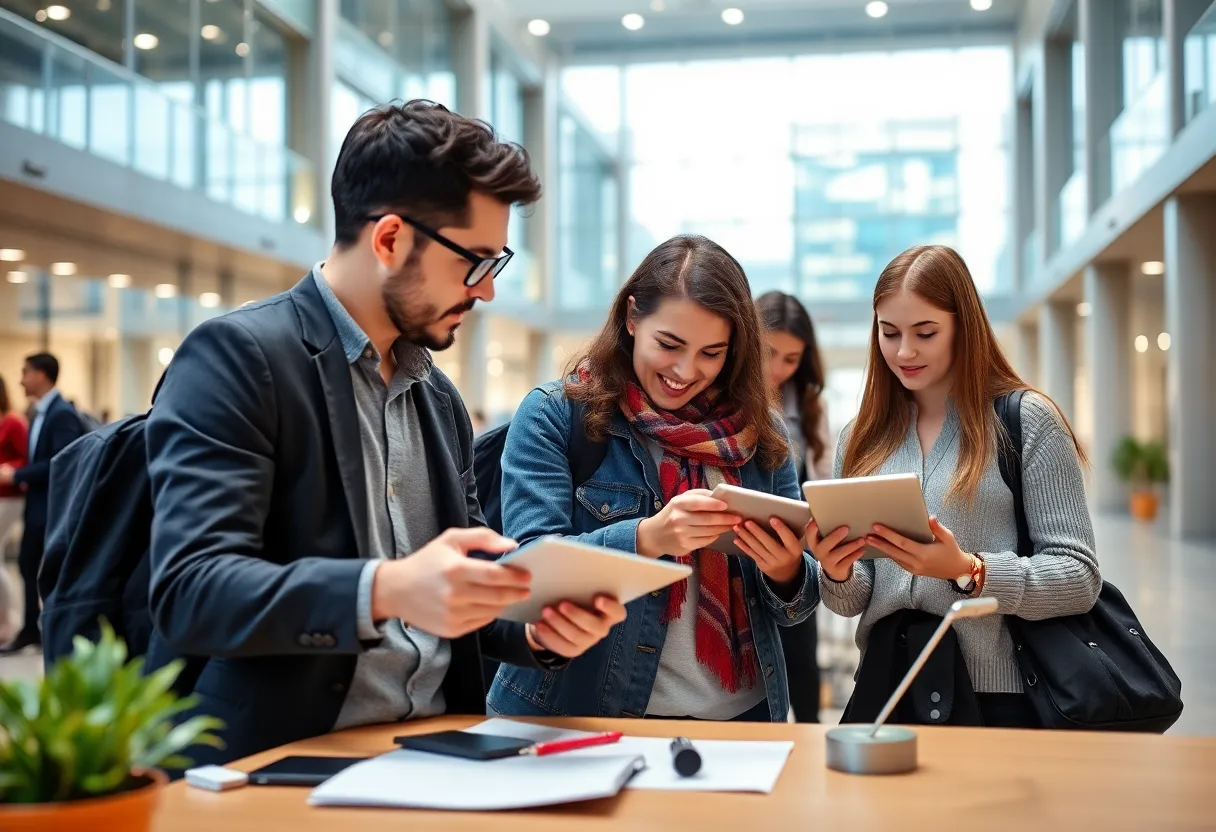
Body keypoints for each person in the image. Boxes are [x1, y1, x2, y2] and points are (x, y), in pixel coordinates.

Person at [144, 100, 625, 766]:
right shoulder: (239, 359)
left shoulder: (437, 396)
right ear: (391, 239)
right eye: (474, 262)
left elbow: (461, 588)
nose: (486, 292)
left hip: (441, 753)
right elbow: (192, 590)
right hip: (287, 761)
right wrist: (386, 588)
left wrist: (537, 628)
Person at [487, 234, 820, 723]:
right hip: (586, 717)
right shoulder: (554, 414)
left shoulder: (760, 431)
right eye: (669, 344)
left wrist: (786, 570)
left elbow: (798, 604)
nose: (686, 370)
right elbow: (525, 574)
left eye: (712, 353)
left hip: (742, 723)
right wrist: (647, 538)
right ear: (631, 317)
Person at [813, 245, 1099, 729]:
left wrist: (969, 570)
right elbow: (853, 600)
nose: (904, 351)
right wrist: (836, 571)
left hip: (995, 698)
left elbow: (1079, 577)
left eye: (925, 333)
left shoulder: (1026, 421)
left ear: (963, 328)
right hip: (886, 687)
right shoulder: (859, 437)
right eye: (889, 332)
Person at [756, 290, 830, 723]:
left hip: (799, 547)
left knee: (802, 652)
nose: (777, 369)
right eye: (769, 353)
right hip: (746, 541)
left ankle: (809, 733)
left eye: (791, 358)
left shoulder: (809, 405)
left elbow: (823, 478)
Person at [0, 354, 85, 653]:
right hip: (37, 505)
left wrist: (17, 475)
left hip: (51, 506)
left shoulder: (61, 414)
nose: (21, 380)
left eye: (26, 372)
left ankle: (53, 630)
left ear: (41, 375)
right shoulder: (40, 413)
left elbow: (62, 461)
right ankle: (30, 629)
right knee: (27, 565)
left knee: (50, 570)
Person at [0, 374, 28, 644]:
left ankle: (9, 620)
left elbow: (26, 459)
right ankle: (6, 620)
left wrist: (9, 471)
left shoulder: (13, 422)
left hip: (9, 497)